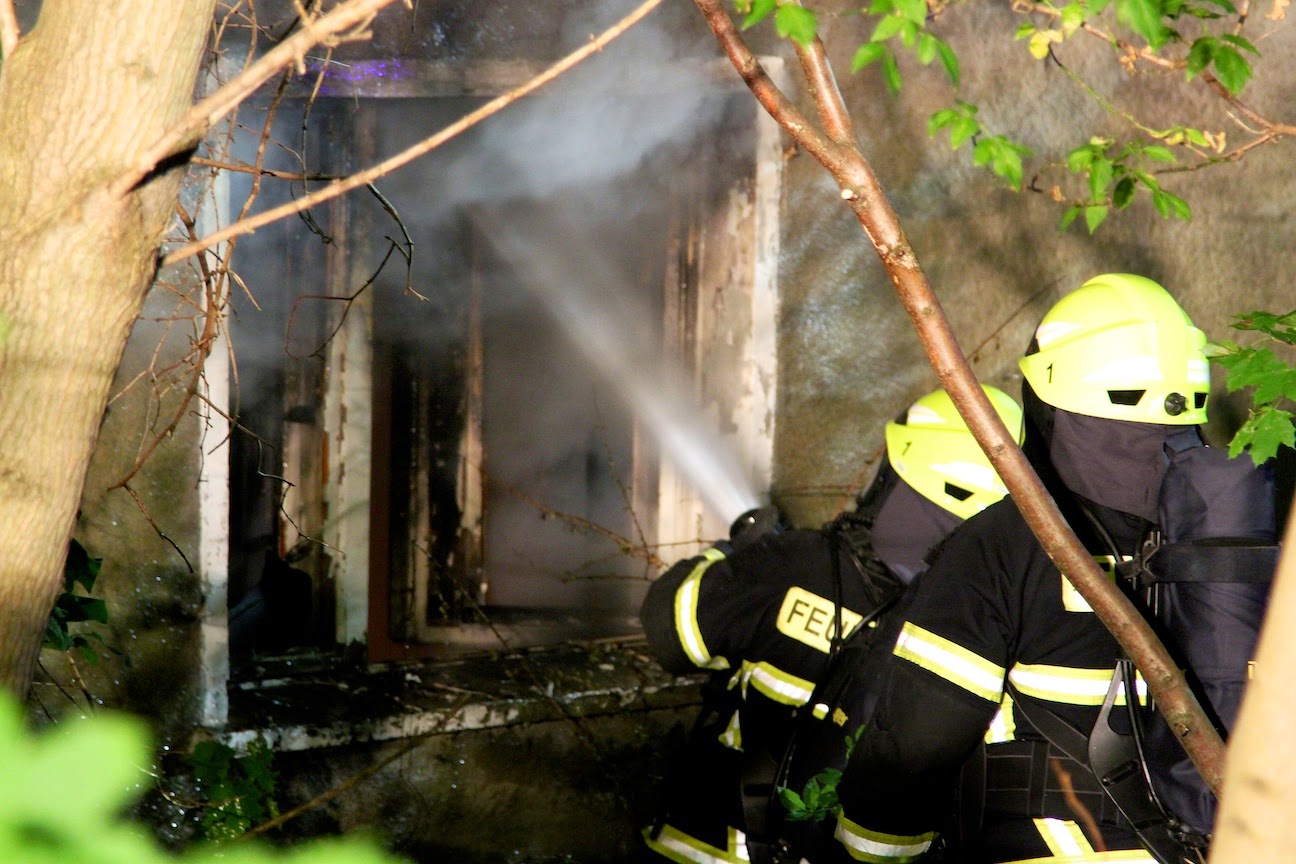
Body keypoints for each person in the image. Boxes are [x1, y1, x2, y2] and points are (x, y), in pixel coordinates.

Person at [824, 273, 1250, 864]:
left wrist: (864, 854)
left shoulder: (1001, 546)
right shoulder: (1248, 539)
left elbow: (914, 747)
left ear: (1046, 397)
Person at [638, 386, 1024, 864]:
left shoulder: (790, 565)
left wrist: (737, 550)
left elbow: (670, 633)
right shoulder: (978, 621)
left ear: (894, 470)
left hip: (706, 849)